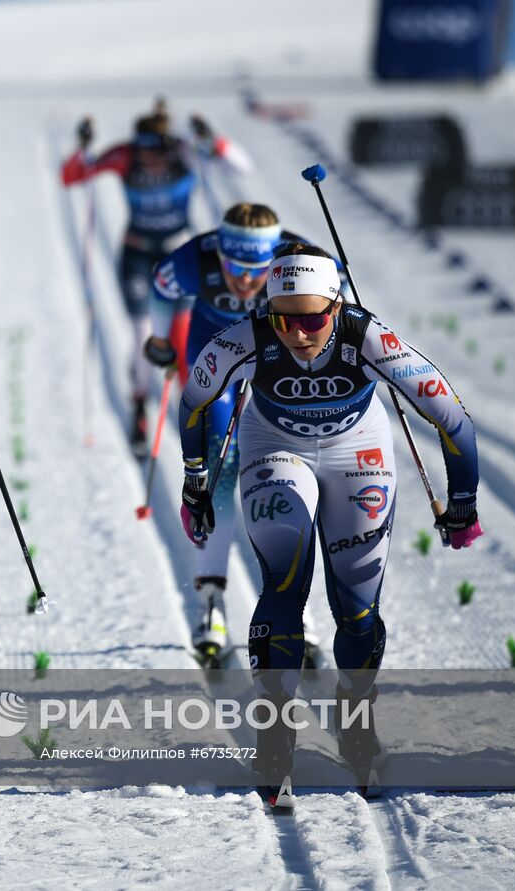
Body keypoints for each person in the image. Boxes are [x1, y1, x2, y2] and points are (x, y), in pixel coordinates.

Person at [176, 242, 482, 803]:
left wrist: (463, 501)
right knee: (284, 581)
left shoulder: (369, 338)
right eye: (284, 320)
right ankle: (274, 737)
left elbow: (452, 418)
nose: (297, 333)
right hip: (274, 447)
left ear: (337, 307)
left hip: (357, 453)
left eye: (313, 318)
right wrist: (196, 480)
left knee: (358, 612)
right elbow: (196, 398)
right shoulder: (248, 335)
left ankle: (356, 717)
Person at [142, 203, 324, 667]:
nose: (245, 281)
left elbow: (335, 286)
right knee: (217, 477)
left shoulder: (297, 257)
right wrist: (161, 341)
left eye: (256, 270)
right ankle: (212, 605)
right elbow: (160, 289)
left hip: (274, 363)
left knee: (281, 481)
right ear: (218, 253)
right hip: (214, 359)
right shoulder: (194, 259)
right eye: (234, 268)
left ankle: (294, 614)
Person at [61, 99, 246, 454]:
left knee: (184, 337)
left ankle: (195, 412)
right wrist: (82, 148)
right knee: (144, 334)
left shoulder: (185, 152)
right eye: (144, 151)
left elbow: (240, 166)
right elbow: (72, 176)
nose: (151, 160)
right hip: (138, 255)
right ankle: (140, 408)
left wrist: (213, 140)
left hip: (180, 258)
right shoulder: (124, 156)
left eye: (158, 151)